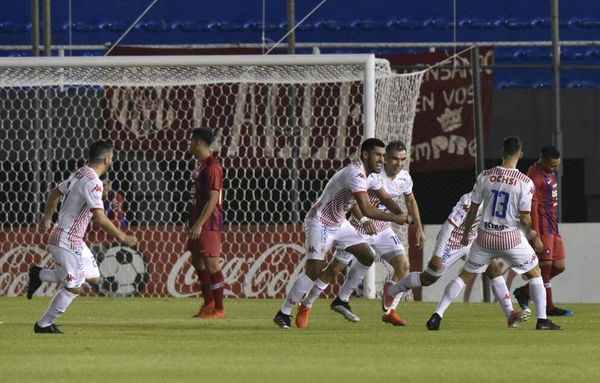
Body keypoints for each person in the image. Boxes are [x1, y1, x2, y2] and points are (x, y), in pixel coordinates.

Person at [419, 136, 561, 331]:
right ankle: (542, 320)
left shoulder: (485, 176)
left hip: (484, 238)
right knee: (535, 272)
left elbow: (472, 208)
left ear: (501, 153)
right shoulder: (525, 182)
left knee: (464, 276)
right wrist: (533, 236)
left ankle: (437, 315)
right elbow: (525, 219)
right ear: (521, 154)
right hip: (510, 238)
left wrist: (466, 233)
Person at [273, 138, 412, 329]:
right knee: (313, 271)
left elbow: (386, 198)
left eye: (382, 155)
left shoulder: (372, 176)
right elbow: (367, 208)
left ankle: (342, 299)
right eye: (377, 155)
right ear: (365, 154)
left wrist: (401, 214)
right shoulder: (355, 173)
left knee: (367, 256)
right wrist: (395, 218)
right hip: (319, 222)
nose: (382, 159)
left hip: (340, 223)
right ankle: (284, 313)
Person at [30, 140, 137, 334]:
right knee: (75, 287)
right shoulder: (94, 183)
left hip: (74, 240)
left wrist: (47, 218)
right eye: (112, 158)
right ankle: (43, 325)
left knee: (94, 279)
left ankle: (40, 275)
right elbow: (100, 217)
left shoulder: (79, 173)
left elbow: (55, 192)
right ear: (107, 159)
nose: (112, 160)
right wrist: (122, 236)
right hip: (66, 240)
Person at [384, 191, 527, 328]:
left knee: (493, 269)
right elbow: (448, 227)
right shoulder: (469, 200)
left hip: (472, 242)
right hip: (451, 244)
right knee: (428, 279)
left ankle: (510, 314)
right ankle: (391, 290)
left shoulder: (495, 201)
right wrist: (438, 254)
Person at [513, 146, 573, 317]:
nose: (556, 169)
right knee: (545, 266)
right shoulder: (535, 177)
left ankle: (525, 291)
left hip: (553, 226)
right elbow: (532, 208)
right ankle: (549, 307)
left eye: (557, 166)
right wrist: (535, 235)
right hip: (543, 227)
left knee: (559, 266)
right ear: (543, 160)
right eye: (553, 166)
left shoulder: (548, 172)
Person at [188, 128, 226, 319]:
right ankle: (209, 303)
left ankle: (219, 309)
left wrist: (200, 224)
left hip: (208, 223)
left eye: (192, 140)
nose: (189, 144)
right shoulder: (201, 165)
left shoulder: (212, 166)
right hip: (197, 220)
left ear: (200, 143)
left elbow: (213, 198)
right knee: (196, 260)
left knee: (212, 264)